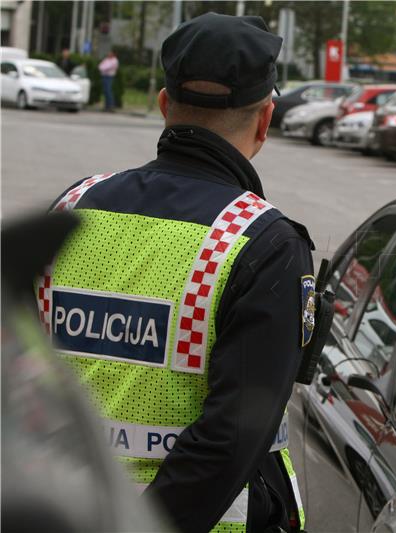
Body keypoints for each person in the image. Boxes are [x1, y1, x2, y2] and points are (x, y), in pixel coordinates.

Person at [35, 13, 314, 533]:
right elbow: (229, 439)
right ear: (264, 120)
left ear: (165, 105)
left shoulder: (71, 208)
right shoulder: (261, 242)